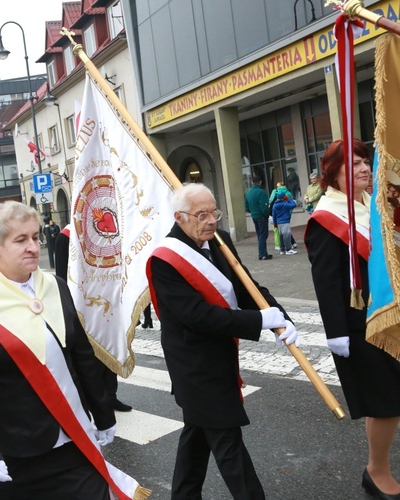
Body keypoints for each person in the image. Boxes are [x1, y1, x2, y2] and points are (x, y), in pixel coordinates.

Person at [0, 201, 145, 499]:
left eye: (35, 236)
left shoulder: (55, 286)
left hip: (73, 441)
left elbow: (80, 356)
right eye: (20, 240)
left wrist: (103, 413)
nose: (33, 246)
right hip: (16, 454)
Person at [147, 183, 300, 499]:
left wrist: (283, 320)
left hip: (221, 357)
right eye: (201, 214)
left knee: (197, 439)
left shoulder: (219, 241)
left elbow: (248, 288)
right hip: (194, 367)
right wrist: (259, 321)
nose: (211, 220)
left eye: (213, 211)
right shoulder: (164, 259)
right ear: (180, 217)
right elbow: (198, 316)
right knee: (228, 445)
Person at [305, 139, 400, 499]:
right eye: (354, 164)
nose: (363, 168)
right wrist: (336, 334)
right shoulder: (326, 219)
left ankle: (378, 468)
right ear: (333, 174)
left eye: (365, 161)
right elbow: (326, 283)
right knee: (387, 401)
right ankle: (377, 471)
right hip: (360, 326)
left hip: (388, 315)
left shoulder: (372, 207)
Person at [54, 222, 132, 412]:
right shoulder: (66, 236)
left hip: (108, 300)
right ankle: (94, 399)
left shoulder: (109, 232)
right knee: (87, 355)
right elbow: (62, 275)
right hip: (82, 304)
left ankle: (111, 395)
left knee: (111, 346)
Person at [245, 175, 273, 260]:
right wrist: (267, 214)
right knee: (263, 235)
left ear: (252, 182)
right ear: (260, 182)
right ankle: (263, 254)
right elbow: (264, 207)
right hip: (261, 216)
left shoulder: (248, 193)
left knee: (259, 235)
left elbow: (246, 206)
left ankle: (263, 253)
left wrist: (252, 212)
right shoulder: (261, 192)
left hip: (254, 216)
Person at [271, 191, 298, 255]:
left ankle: (282, 250)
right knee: (287, 235)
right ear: (283, 196)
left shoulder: (275, 205)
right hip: (285, 221)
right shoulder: (285, 204)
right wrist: (288, 199)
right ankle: (288, 249)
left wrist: (275, 223)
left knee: (281, 236)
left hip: (279, 222)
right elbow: (294, 205)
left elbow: (274, 215)